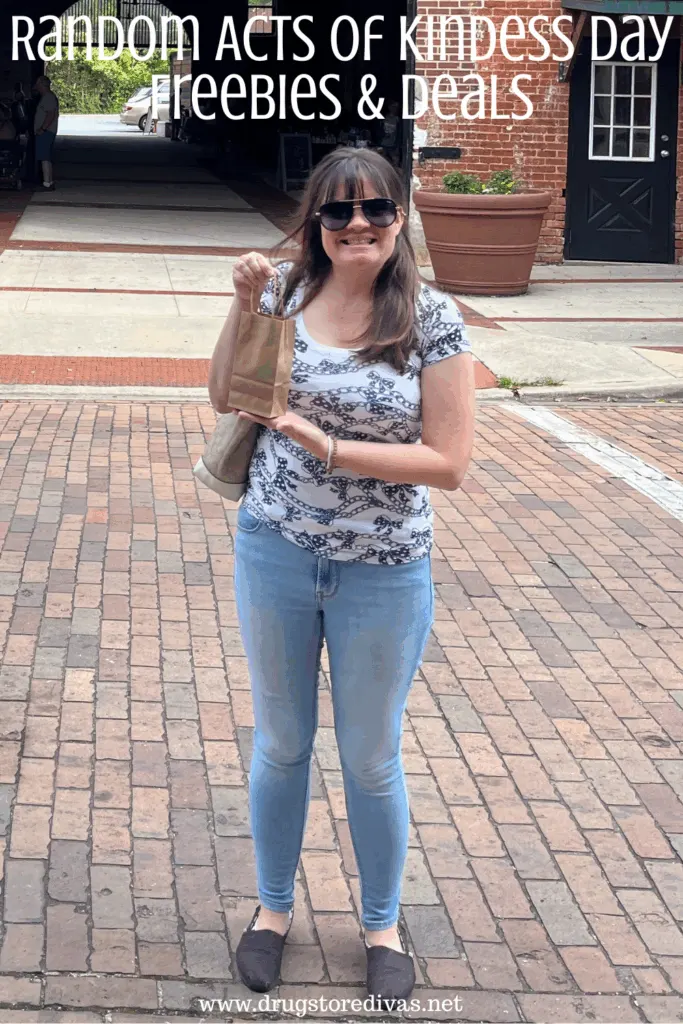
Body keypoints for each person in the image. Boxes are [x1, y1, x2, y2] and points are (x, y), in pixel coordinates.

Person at [208, 148, 475, 1003]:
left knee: (369, 757)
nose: (357, 225)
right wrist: (242, 307)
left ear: (400, 216)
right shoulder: (286, 294)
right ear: (316, 222)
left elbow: (448, 461)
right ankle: (273, 912)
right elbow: (227, 396)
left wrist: (325, 445)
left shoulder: (431, 319)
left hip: (384, 569)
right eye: (338, 212)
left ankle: (381, 925)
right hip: (275, 548)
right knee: (282, 744)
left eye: (374, 209)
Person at [33, 75, 59, 190]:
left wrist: (42, 128)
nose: (36, 86)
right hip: (46, 131)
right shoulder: (47, 97)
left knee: (44, 157)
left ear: (43, 85)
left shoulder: (48, 97)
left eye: (38, 84)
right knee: (45, 157)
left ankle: (46, 183)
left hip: (46, 132)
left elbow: (50, 114)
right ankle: (49, 181)